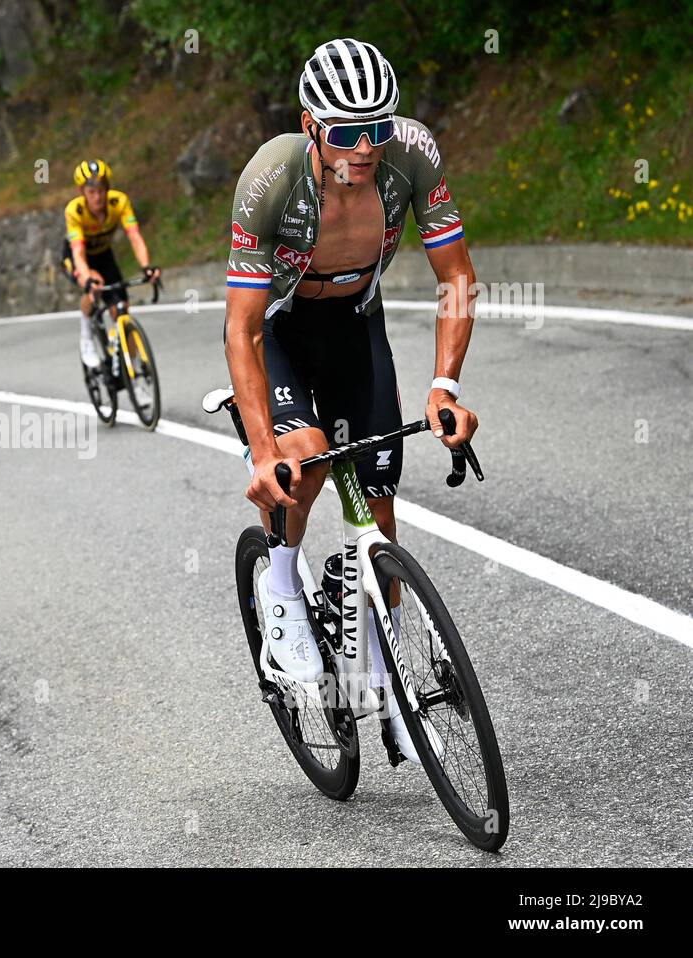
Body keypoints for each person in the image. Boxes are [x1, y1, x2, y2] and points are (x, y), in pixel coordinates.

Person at [224, 38, 478, 763]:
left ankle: (386, 671)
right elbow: (240, 329)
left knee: (380, 492)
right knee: (302, 463)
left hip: (353, 323)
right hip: (277, 327)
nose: (363, 148)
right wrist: (264, 450)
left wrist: (445, 388)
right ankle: (279, 594)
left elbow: (455, 276)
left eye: (377, 129)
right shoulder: (269, 179)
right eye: (344, 133)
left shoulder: (412, 155)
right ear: (311, 125)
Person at [61, 159, 160, 369]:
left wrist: (146, 266)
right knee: (94, 285)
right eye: (91, 191)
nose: (98, 196)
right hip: (77, 257)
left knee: (121, 310)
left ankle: (135, 370)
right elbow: (78, 251)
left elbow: (135, 237)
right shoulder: (74, 211)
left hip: (104, 254)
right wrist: (87, 279)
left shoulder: (119, 202)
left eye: (102, 190)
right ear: (82, 191)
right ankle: (86, 337)